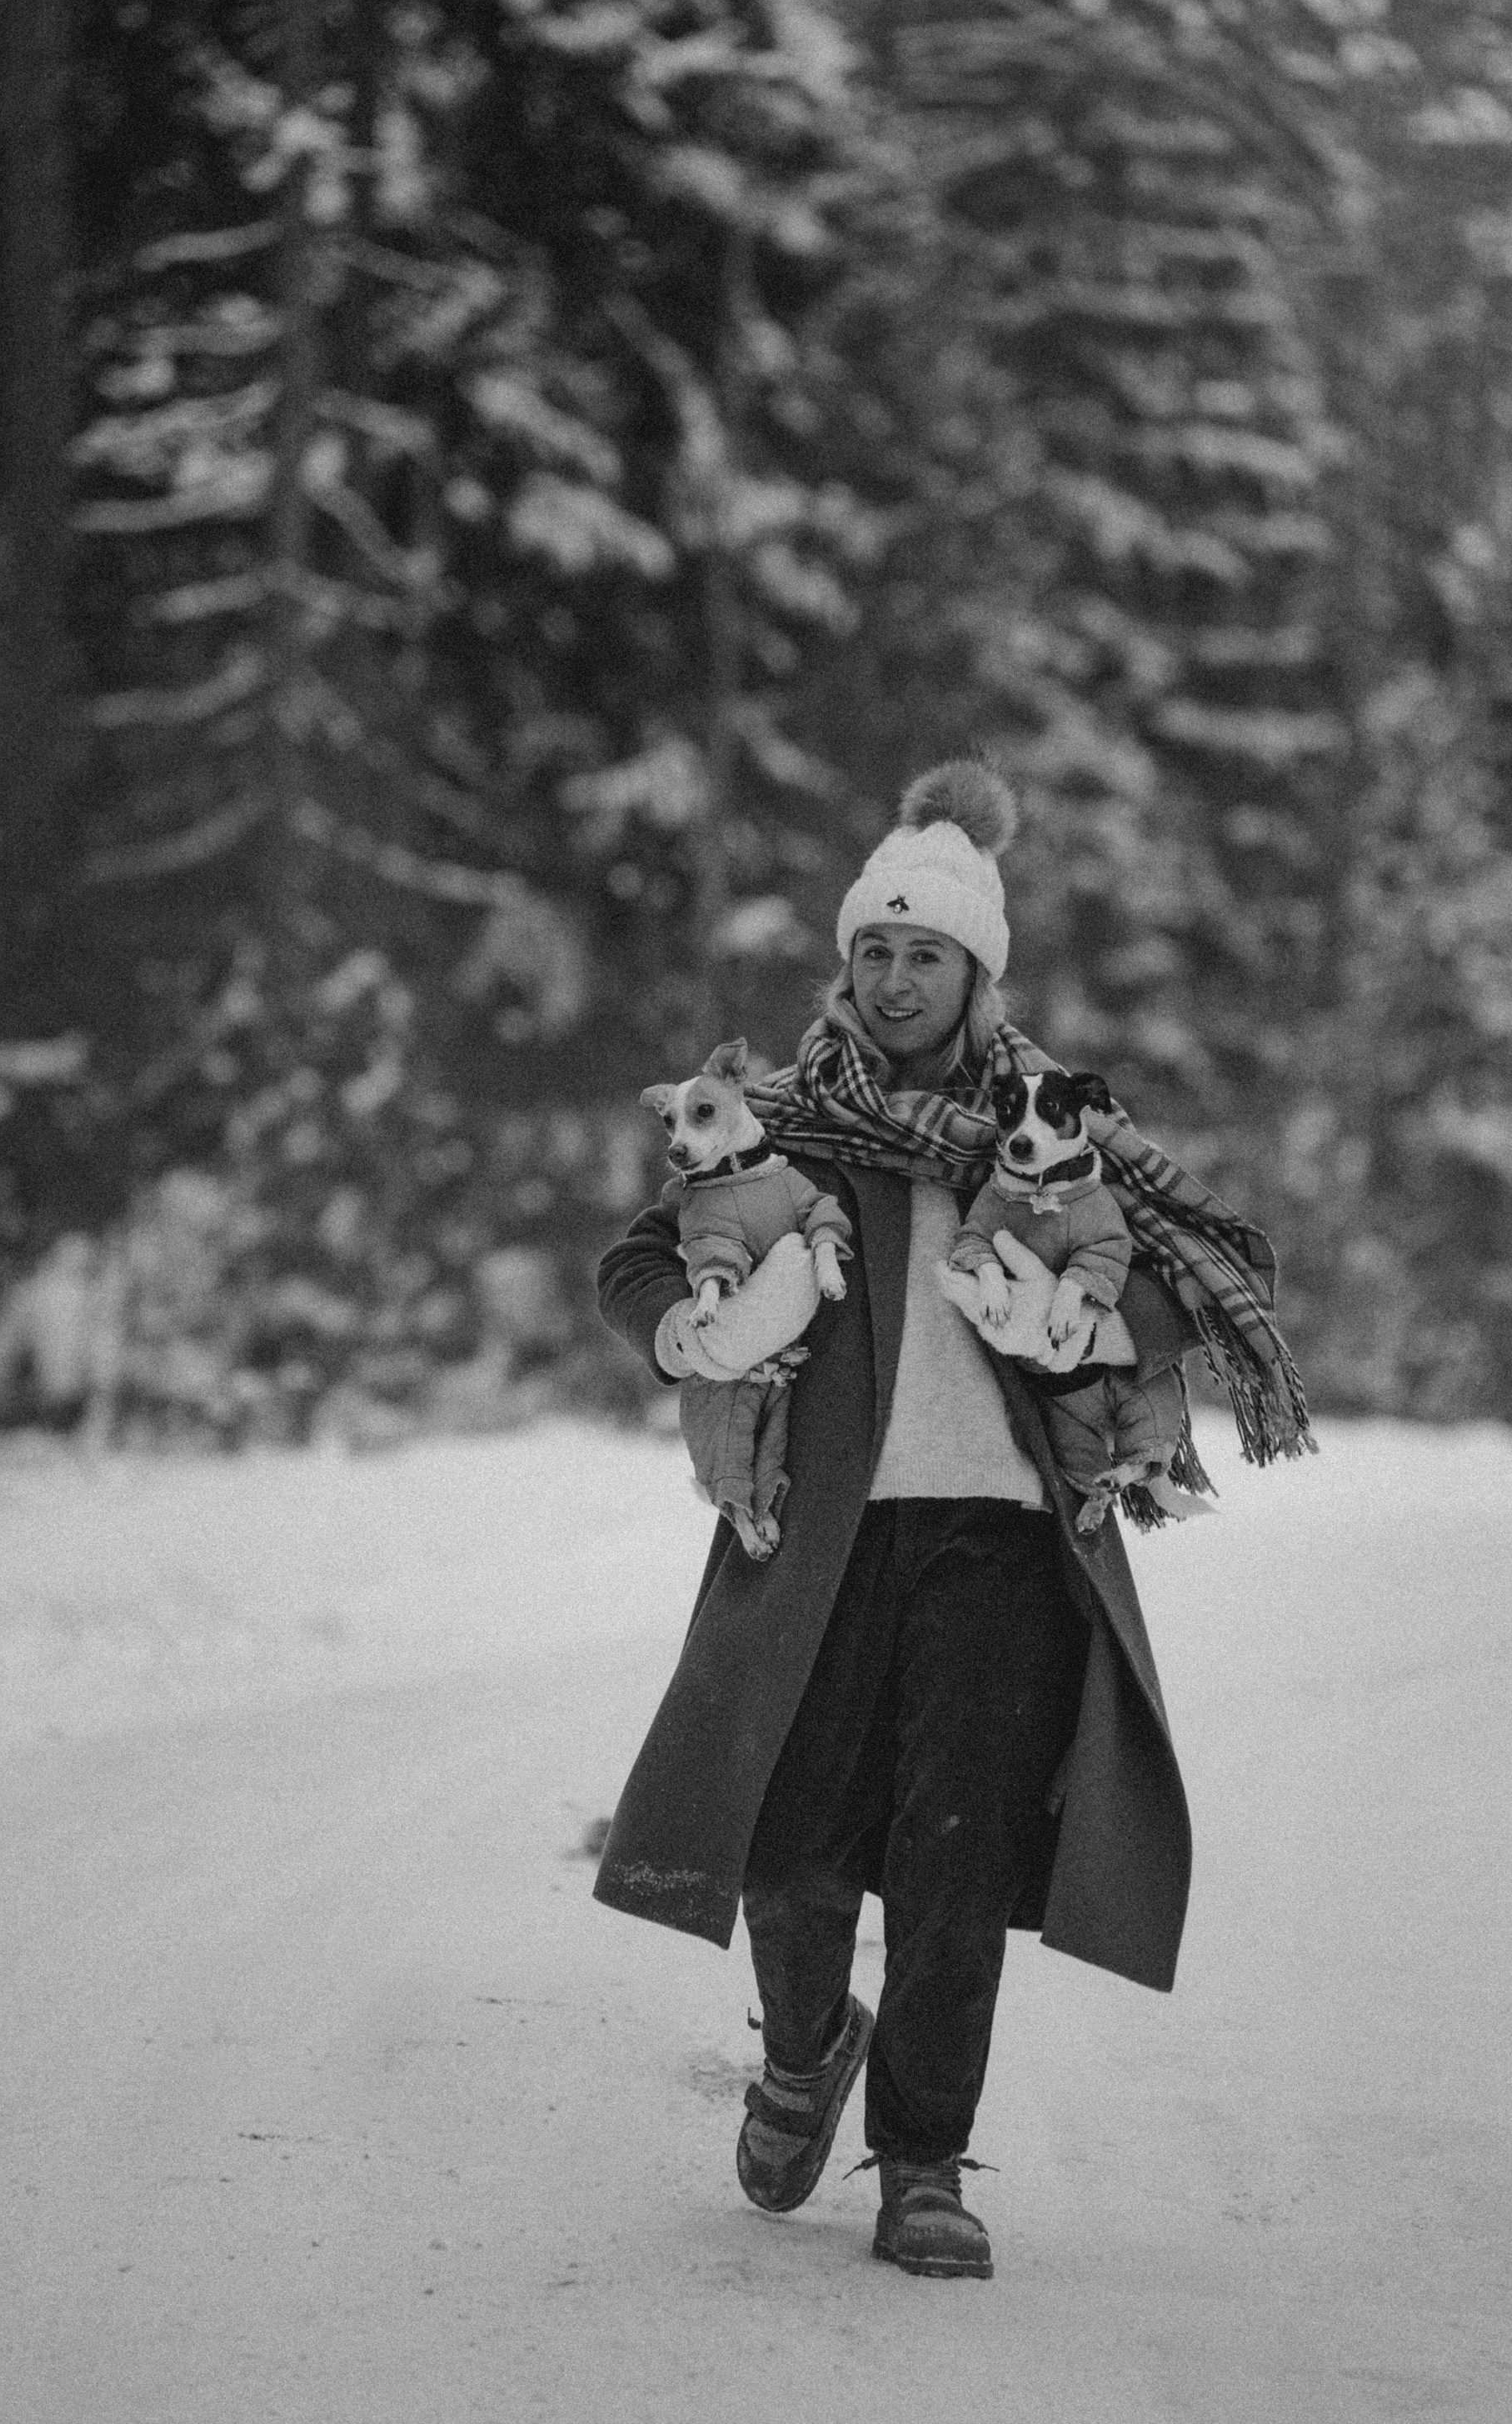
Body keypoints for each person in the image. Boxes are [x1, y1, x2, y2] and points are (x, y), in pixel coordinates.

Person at [593, 755, 1312, 2280]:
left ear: (977, 971)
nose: (898, 977)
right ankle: (804, 2050)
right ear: (846, 964)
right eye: (876, 950)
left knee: (953, 1866)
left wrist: (1102, 1337)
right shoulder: (781, 1120)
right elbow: (641, 1262)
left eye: (927, 953)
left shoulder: (1047, 1125)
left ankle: (923, 2164)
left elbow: (1191, 1274)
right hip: (823, 1541)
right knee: (785, 1849)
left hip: (1001, 1549)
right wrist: (684, 1334)